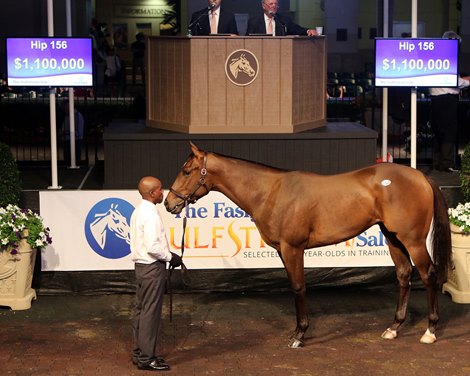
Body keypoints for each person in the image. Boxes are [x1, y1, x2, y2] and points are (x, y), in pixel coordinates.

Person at [130, 176, 182, 371]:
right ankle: (146, 358)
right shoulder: (150, 214)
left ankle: (139, 353)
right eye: (160, 190)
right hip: (152, 268)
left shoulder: (138, 211)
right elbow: (153, 247)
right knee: (150, 314)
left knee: (141, 311)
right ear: (152, 193)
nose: (163, 192)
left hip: (141, 268)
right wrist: (171, 257)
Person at [429, 31, 470, 172]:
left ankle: (438, 162)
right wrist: (467, 82)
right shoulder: (448, 59)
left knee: (439, 131)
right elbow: (454, 82)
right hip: (447, 99)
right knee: (449, 132)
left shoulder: (435, 58)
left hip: (436, 99)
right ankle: (447, 163)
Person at [246, 0, 317, 36]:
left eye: (276, 4)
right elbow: (248, 39)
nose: (274, 6)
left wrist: (307, 31)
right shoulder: (254, 21)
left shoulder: (283, 20)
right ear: (264, 6)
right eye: (271, 4)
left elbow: (296, 29)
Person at [61, 100, 85, 166]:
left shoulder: (77, 116)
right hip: (67, 140)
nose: (63, 109)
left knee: (73, 160)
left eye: (65, 107)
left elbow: (79, 133)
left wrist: (66, 132)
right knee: (67, 161)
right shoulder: (67, 116)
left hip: (75, 141)